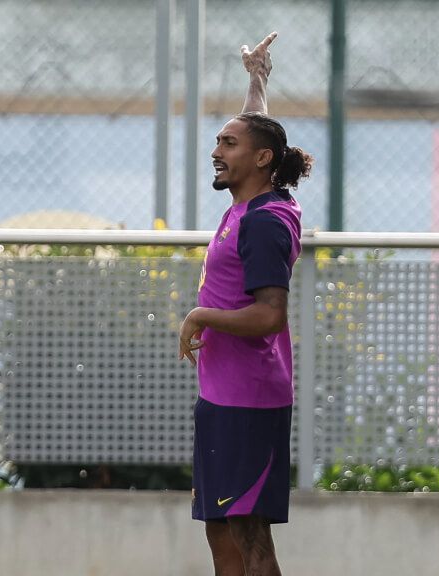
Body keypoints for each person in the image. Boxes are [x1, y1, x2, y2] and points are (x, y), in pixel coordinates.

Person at [178, 31, 313, 576]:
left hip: (248, 401)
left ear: (260, 159)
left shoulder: (263, 223)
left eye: (227, 145)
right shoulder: (254, 197)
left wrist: (201, 314)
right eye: (218, 141)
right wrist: (256, 84)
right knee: (221, 531)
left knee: (251, 537)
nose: (216, 151)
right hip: (222, 395)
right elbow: (259, 134)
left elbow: (269, 315)